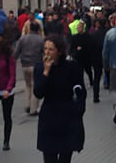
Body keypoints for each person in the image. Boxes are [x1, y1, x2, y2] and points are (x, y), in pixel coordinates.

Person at [34, 34, 86, 163]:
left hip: (67, 117)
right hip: (49, 117)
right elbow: (38, 93)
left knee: (65, 157)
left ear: (59, 51)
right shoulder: (40, 67)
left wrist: (78, 111)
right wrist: (46, 72)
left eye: (51, 49)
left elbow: (80, 90)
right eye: (45, 49)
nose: (47, 52)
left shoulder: (72, 67)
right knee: (49, 157)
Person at [14, 22, 44, 115]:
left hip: (24, 64)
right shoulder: (41, 40)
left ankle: (27, 104)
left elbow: (16, 52)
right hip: (35, 64)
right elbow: (43, 53)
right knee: (35, 85)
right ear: (38, 30)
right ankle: (33, 109)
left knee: (28, 85)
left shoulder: (23, 39)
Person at [70, 20, 93, 87]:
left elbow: (90, 46)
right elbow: (72, 46)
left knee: (88, 70)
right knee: (79, 71)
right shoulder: (75, 37)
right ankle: (81, 83)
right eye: (77, 27)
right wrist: (75, 50)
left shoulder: (87, 36)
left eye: (79, 27)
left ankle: (91, 81)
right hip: (78, 57)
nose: (78, 29)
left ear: (83, 28)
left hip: (86, 56)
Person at [90, 18, 108, 103]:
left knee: (96, 77)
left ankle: (95, 96)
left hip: (96, 57)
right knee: (108, 73)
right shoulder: (107, 33)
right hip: (106, 57)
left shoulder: (94, 34)